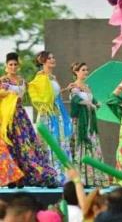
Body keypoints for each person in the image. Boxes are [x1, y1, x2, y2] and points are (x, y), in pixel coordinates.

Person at [0, 52, 58, 187]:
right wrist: (10, 93)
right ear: (6, 67)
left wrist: (45, 78)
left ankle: (30, 175)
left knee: (26, 144)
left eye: (15, 64)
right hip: (8, 117)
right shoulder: (4, 80)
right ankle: (14, 177)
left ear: (18, 66)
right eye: (11, 65)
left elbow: (34, 87)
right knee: (11, 145)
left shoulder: (21, 80)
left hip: (21, 116)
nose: (13, 67)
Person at [28, 51, 73, 185]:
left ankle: (63, 176)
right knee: (50, 143)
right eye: (49, 58)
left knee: (61, 141)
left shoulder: (52, 77)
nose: (53, 60)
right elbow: (36, 94)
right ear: (43, 61)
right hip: (48, 114)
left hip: (58, 112)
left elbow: (55, 94)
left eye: (53, 57)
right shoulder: (40, 78)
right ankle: (51, 175)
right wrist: (45, 106)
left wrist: (65, 89)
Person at [69, 62, 108, 187]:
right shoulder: (74, 87)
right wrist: (87, 103)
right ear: (76, 72)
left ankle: (95, 178)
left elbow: (92, 99)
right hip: (81, 121)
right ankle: (82, 178)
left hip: (91, 121)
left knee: (93, 145)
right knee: (82, 145)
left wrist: (97, 103)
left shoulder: (87, 86)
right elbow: (75, 99)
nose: (85, 72)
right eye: (83, 70)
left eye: (86, 70)